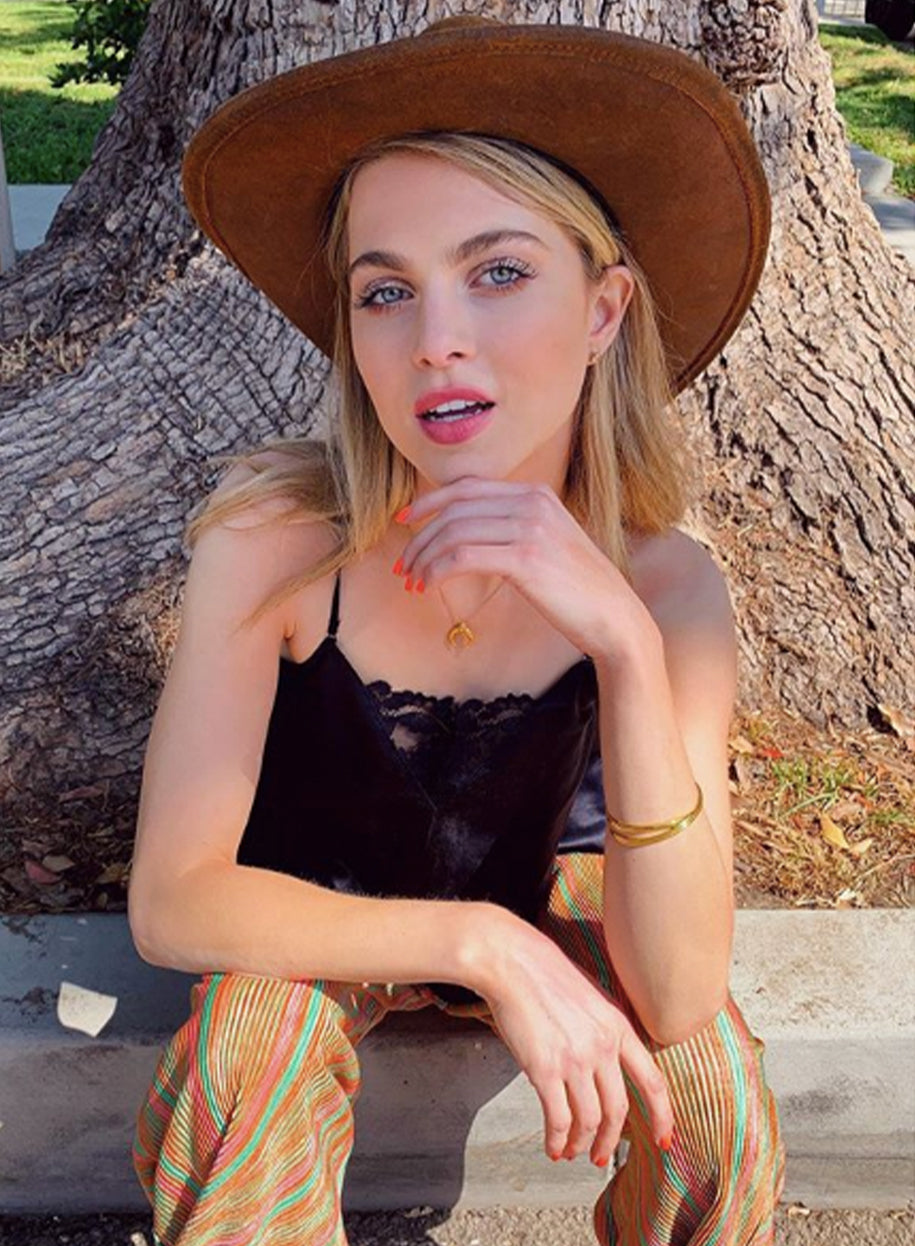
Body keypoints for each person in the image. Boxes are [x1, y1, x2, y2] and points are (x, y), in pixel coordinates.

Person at [127, 15, 785, 1246]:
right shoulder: (274, 543)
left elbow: (683, 990)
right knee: (244, 1060)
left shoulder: (668, 587)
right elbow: (172, 901)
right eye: (387, 291)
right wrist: (482, 943)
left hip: (560, 886)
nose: (436, 341)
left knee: (717, 1108)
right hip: (315, 906)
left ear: (604, 309)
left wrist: (627, 647)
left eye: (498, 272)